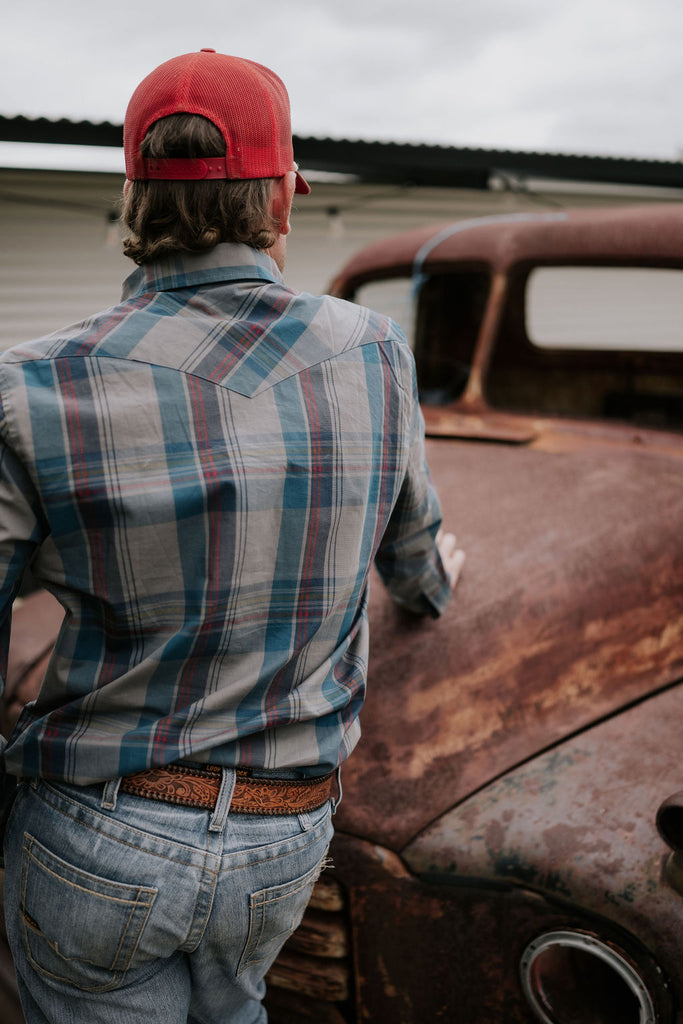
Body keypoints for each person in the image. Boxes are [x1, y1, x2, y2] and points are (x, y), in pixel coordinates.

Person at [0, 49, 464, 1024]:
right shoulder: (374, 353)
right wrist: (432, 584)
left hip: (98, 833)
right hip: (281, 838)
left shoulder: (32, 387)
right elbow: (417, 567)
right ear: (280, 203)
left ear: (133, 204)